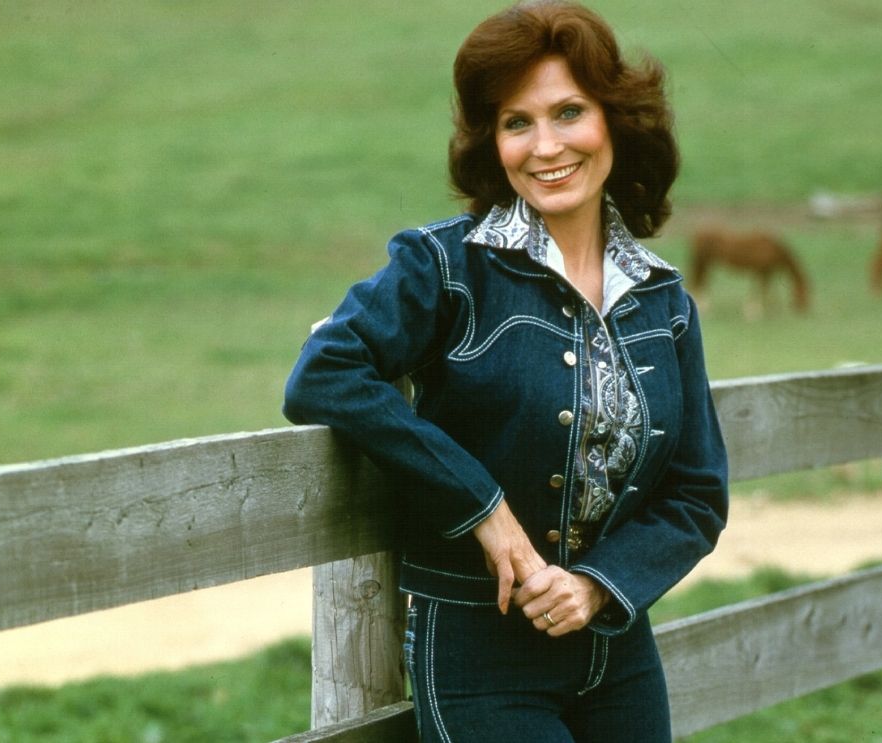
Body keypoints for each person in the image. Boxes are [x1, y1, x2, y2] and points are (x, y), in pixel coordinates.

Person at [283, 2, 728, 740]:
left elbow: (696, 493)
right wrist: (484, 510)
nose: (545, 146)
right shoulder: (444, 266)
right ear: (492, 142)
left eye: (569, 112)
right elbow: (326, 372)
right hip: (478, 652)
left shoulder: (662, 297)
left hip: (618, 652)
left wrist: (596, 586)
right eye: (517, 122)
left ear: (614, 121)